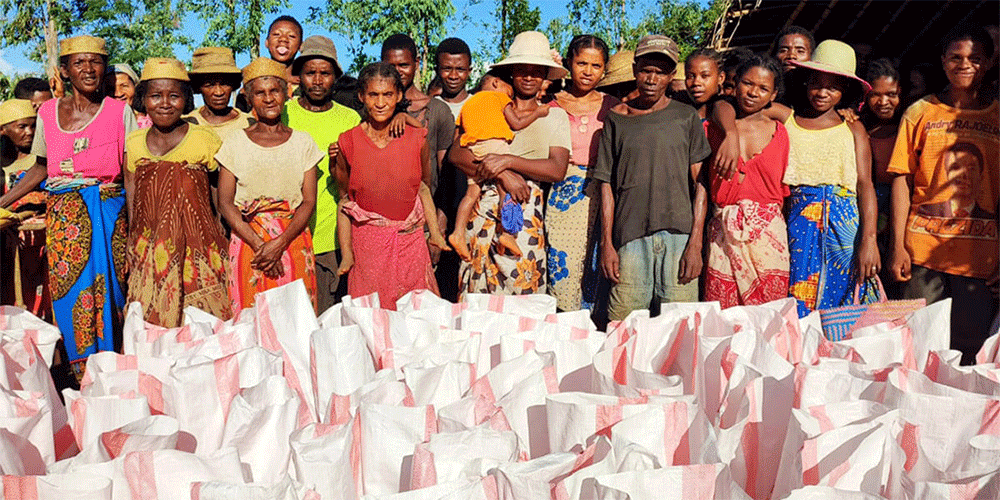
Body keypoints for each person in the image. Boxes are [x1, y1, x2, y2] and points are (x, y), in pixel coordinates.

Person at [0, 35, 136, 376]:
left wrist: (134, 229)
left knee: (113, 297)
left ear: (104, 68)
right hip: (65, 220)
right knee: (68, 295)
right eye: (79, 63)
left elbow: (132, 174)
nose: (88, 69)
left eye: (96, 62)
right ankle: (79, 379)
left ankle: (112, 376)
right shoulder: (46, 112)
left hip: (109, 215)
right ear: (65, 70)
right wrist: (3, 201)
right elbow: (41, 168)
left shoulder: (121, 112)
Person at [888, 26, 998, 364]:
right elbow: (902, 179)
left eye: (974, 59)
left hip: (981, 257)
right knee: (915, 343)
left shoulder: (997, 115)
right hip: (921, 251)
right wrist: (897, 245)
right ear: (943, 61)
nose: (965, 65)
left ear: (988, 62)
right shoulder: (920, 112)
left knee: (969, 352)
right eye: (956, 57)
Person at [590, 35, 712, 321]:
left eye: (660, 72)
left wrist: (696, 243)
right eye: (646, 69)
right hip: (630, 237)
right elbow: (606, 186)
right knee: (623, 325)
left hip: (680, 237)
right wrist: (607, 244)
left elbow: (701, 186)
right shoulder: (616, 119)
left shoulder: (685, 117)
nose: (651, 78)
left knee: (680, 326)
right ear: (635, 70)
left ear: (671, 76)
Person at [449, 31, 570, 297]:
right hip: (483, 209)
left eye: (536, 71)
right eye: (522, 71)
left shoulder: (554, 115)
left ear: (545, 76)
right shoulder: (487, 106)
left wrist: (508, 161)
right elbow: (456, 155)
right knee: (479, 298)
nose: (528, 77)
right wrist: (505, 175)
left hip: (524, 211)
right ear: (511, 73)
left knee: (521, 290)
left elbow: (556, 169)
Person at [124, 58, 231, 327]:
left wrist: (221, 229)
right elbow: (132, 189)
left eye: (174, 96)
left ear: (186, 99)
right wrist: (133, 235)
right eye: (155, 96)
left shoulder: (204, 138)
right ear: (143, 100)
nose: (164, 103)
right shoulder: (134, 142)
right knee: (152, 316)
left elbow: (218, 187)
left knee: (201, 320)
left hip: (199, 242)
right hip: (150, 242)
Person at [334, 62, 450, 309]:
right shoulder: (348, 141)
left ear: (399, 96)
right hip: (368, 250)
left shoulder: (415, 138)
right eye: (373, 95)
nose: (380, 103)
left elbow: (423, 186)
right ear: (361, 96)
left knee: (414, 319)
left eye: (387, 95)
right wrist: (348, 253)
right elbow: (344, 195)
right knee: (373, 320)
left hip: (411, 246)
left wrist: (434, 234)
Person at [780, 40, 879, 316]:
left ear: (844, 90)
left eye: (832, 86)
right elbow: (732, 106)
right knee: (798, 295)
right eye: (816, 83)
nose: (822, 92)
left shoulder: (854, 129)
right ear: (805, 82)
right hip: (798, 223)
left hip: (845, 226)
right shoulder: (787, 119)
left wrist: (868, 240)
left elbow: (865, 185)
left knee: (846, 297)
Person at [216, 57, 321, 314]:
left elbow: (308, 201)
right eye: (260, 93)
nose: (268, 98)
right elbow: (225, 202)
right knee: (251, 321)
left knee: (296, 321)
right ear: (249, 99)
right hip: (248, 243)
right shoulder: (234, 143)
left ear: (286, 94)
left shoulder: (303, 142)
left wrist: (279, 243)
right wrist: (260, 246)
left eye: (275, 90)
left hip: (293, 240)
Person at [282, 35, 361, 312]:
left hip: (330, 238)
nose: (317, 80)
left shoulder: (350, 119)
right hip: (286, 235)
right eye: (310, 73)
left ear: (335, 77)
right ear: (299, 77)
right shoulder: (283, 113)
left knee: (326, 320)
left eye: (325, 73)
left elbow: (355, 181)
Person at [704, 56, 790, 307]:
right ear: (735, 84)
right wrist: (730, 134)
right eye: (747, 83)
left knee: (769, 316)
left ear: (774, 94)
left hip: (769, 237)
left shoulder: (783, 132)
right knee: (724, 317)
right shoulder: (715, 128)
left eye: (763, 88)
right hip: (724, 235)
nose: (753, 92)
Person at [546, 34, 618, 313]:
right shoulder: (552, 105)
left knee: (599, 263)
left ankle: (596, 333)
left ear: (604, 69)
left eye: (596, 65)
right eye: (581, 63)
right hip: (566, 194)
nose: (588, 71)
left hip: (606, 188)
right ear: (569, 63)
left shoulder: (612, 106)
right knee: (564, 264)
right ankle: (567, 330)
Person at [449, 71, 551, 261]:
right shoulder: (498, 97)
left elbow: (457, 139)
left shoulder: (468, 104)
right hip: (494, 144)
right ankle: (507, 233)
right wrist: (538, 112)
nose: (510, 96)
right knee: (507, 189)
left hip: (472, 147)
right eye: (509, 91)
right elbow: (517, 123)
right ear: (496, 83)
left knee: (471, 194)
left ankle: (457, 233)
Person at [382, 34, 455, 197]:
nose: (397, 71)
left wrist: (440, 218)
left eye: (403, 65)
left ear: (416, 63)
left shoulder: (438, 110)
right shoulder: (375, 110)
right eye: (390, 66)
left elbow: (445, 174)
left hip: (425, 211)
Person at [0, 99, 50, 320]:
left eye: (33, 126)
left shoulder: (40, 162)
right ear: (4, 130)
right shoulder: (2, 165)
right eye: (22, 127)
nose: (29, 132)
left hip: (37, 247)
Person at [861, 58, 903, 296]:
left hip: (900, 213)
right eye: (876, 94)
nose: (884, 101)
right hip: (868, 212)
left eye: (892, 94)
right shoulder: (858, 129)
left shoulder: (908, 127)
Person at [184, 47, 254, 143]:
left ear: (233, 85)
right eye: (210, 85)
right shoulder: (186, 124)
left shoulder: (249, 123)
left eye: (225, 84)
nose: (219, 92)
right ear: (198, 87)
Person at [435, 37, 473, 117]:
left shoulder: (479, 106)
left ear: (469, 71)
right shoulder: (427, 108)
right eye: (447, 69)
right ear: (436, 70)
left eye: (460, 69)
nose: (453, 76)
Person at [684, 48, 725, 121]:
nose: (696, 82)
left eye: (705, 76)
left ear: (720, 78)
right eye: (690, 76)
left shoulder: (732, 117)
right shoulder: (678, 116)